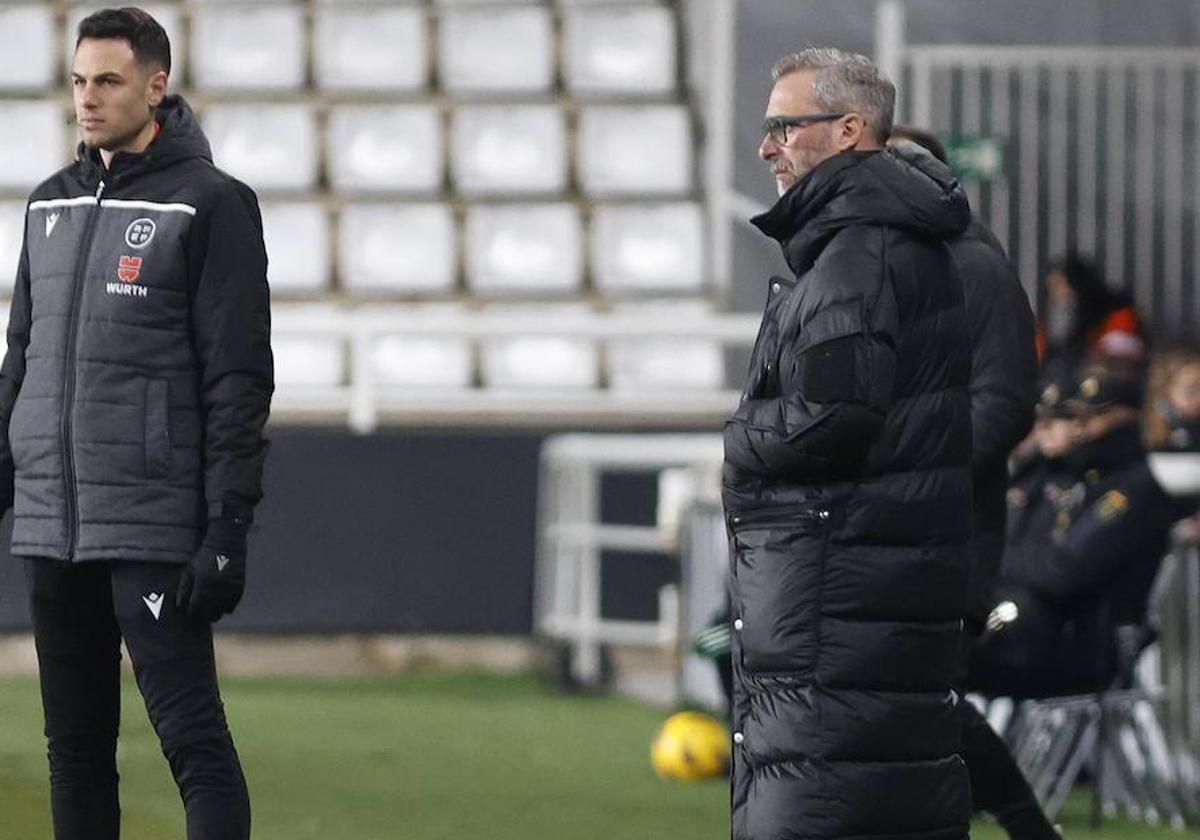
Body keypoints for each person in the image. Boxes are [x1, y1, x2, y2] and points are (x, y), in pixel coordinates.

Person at [0, 8, 273, 839]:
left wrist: (226, 525)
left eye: (108, 81)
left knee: (192, 745)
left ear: (157, 85)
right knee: (73, 750)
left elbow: (239, 380)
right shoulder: (49, 205)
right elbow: (20, 361)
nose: (88, 99)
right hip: (53, 529)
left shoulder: (212, 204)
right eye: (79, 81)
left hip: (153, 528)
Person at [723, 48, 973, 840]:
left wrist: (740, 438)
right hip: (869, 602)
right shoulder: (886, 241)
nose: (767, 148)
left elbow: (832, 418)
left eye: (783, 127)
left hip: (835, 613)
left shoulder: (855, 255)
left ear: (848, 129)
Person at [888, 126, 1058, 840]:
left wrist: (920, 479)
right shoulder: (870, 267)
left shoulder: (976, 268)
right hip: (880, 524)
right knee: (898, 702)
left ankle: (1026, 825)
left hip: (951, 524)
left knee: (927, 698)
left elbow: (1005, 406)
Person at [971, 360, 1174, 699]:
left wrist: (989, 560)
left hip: (1075, 648)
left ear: (1125, 416)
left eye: (1087, 417)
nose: (1077, 429)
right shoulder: (1043, 471)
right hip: (1029, 632)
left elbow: (1063, 570)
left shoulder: (1130, 487)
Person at [1038, 253, 1143, 383]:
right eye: (1052, 288)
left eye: (1061, 286)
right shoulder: (1052, 322)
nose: (1056, 295)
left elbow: (1119, 358)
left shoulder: (1118, 314)